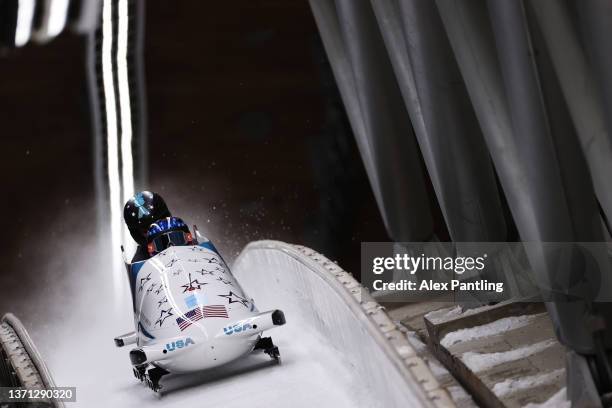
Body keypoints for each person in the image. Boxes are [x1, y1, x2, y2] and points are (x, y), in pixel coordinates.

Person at [123, 191, 172, 262]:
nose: (156, 232)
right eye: (147, 229)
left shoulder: (188, 240)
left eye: (159, 223)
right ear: (138, 234)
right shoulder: (139, 261)